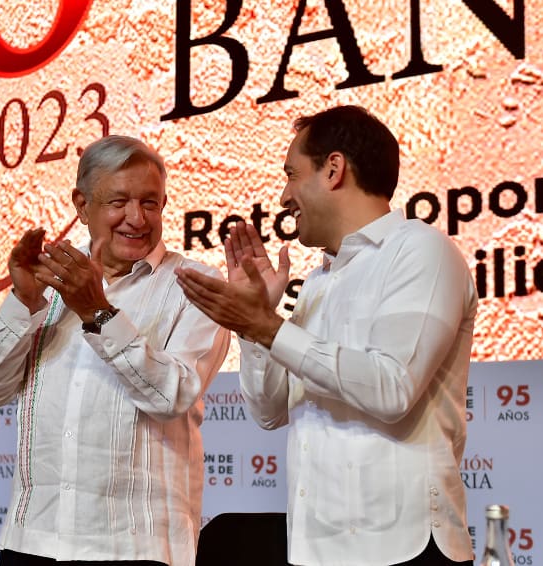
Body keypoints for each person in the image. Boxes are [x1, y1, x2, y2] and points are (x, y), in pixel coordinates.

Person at [176, 105, 477, 566]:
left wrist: (268, 327)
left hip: (402, 546)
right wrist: (254, 327)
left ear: (334, 169)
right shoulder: (319, 281)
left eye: (292, 174)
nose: (283, 196)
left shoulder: (422, 250)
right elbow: (269, 412)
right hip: (315, 545)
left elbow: (392, 387)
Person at [0, 135, 230, 565]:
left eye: (150, 203)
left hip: (133, 548)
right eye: (119, 202)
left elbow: (173, 395)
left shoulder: (195, 285)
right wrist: (24, 301)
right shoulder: (50, 281)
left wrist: (98, 312)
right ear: (82, 205)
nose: (136, 218)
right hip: (33, 540)